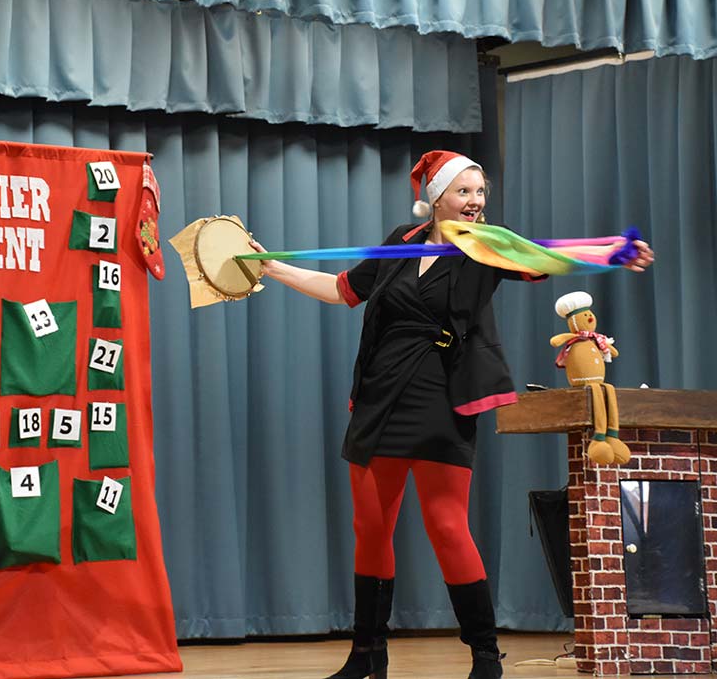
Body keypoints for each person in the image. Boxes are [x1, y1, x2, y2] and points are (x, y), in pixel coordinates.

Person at [250, 150, 654, 679]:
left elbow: (544, 258)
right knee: (370, 526)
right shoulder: (400, 241)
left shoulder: (486, 245)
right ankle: (367, 654)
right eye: (464, 191)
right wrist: (271, 266)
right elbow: (342, 290)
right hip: (378, 394)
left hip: (441, 395)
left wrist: (611, 253)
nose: (475, 201)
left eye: (480, 192)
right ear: (436, 198)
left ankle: (485, 656)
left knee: (447, 525)